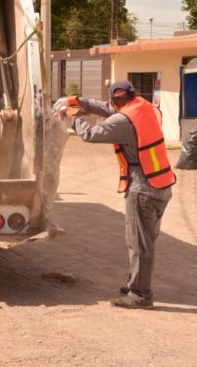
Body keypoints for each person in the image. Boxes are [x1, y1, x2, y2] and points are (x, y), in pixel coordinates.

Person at [54, 81, 176, 309]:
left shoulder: (122, 120)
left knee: (139, 244)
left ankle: (140, 296)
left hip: (143, 189)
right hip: (162, 184)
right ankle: (135, 284)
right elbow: (104, 107)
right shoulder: (143, 108)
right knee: (145, 242)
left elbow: (90, 134)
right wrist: (76, 101)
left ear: (115, 101)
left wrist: (73, 117)